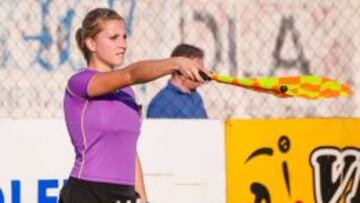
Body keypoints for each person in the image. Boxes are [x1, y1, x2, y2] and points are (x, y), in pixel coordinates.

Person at [58, 8, 208, 203]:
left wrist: (142, 198)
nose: (123, 44)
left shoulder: (126, 92)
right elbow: (130, 74)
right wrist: (175, 62)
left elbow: (129, 149)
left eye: (124, 37)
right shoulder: (80, 82)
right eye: (114, 38)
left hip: (125, 193)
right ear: (91, 43)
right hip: (88, 191)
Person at [146, 44, 208, 118]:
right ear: (181, 72)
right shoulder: (162, 103)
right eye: (198, 72)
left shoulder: (196, 96)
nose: (202, 76)